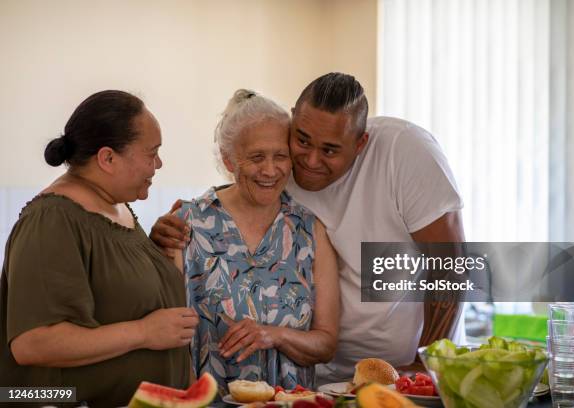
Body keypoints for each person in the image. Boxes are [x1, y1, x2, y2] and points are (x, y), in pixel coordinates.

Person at [151, 73, 465, 385]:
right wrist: (177, 224)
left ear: (360, 144)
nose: (310, 161)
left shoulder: (404, 151)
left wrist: (427, 364)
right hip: (318, 379)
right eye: (302, 141)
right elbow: (245, 184)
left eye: (329, 151)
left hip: (398, 370)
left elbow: (453, 266)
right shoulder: (280, 168)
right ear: (293, 121)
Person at [0, 90, 198, 407]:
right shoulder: (51, 220)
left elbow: (125, 294)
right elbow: (33, 343)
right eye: (152, 153)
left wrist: (163, 251)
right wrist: (143, 332)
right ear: (107, 158)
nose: (159, 164)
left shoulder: (118, 210)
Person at [171, 90, 339, 395]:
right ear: (229, 160)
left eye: (280, 156)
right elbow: (165, 333)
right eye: (256, 157)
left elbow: (326, 343)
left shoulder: (310, 230)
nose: (270, 170)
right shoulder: (188, 223)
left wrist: (274, 335)